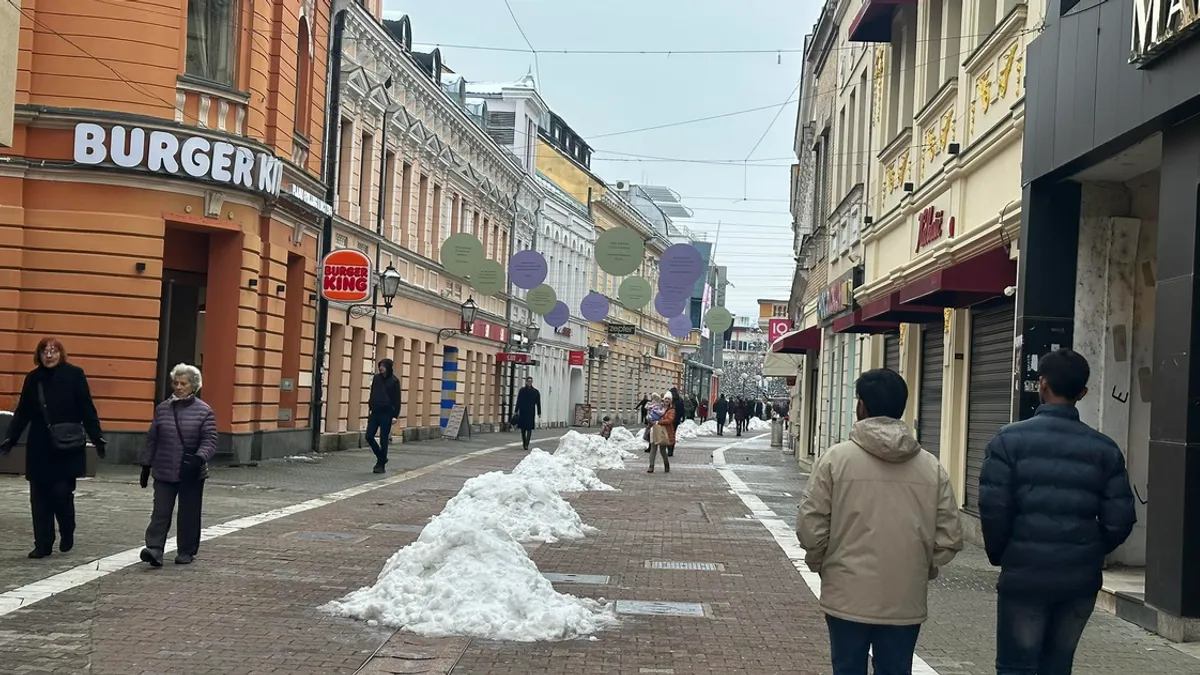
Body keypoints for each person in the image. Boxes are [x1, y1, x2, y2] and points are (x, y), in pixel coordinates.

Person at [979, 349, 1135, 675]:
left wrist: (1003, 553)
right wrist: (1090, 549)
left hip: (1024, 575)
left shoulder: (1008, 441)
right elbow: (1119, 519)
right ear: (1083, 393)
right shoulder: (1104, 449)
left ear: (1042, 384)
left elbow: (994, 508)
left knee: (1015, 666)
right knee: (1058, 665)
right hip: (1078, 578)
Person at [798, 368, 962, 675]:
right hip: (905, 596)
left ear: (862, 406)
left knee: (847, 667)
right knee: (897, 669)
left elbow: (810, 525)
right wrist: (921, 564)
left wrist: (824, 561)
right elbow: (950, 536)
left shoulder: (835, 460)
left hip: (846, 590)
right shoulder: (930, 466)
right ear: (902, 407)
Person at [0, 338, 106, 559]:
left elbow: (87, 408)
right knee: (39, 498)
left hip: (67, 445)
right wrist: (10, 439)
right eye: (44, 351)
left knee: (60, 493)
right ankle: (43, 543)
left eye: (53, 351)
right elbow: (23, 413)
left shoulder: (74, 375)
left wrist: (97, 437)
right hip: (40, 445)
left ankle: (67, 529)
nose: (49, 355)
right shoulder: (33, 378)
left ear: (61, 354)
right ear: (38, 355)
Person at [138, 363, 218, 567]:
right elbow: (152, 438)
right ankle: (154, 549)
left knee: (188, 513)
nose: (179, 387)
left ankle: (186, 550)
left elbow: (210, 440)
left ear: (194, 386)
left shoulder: (204, 411)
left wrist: (199, 458)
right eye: (176, 383)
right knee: (160, 511)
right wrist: (146, 465)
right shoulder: (163, 408)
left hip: (191, 471)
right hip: (164, 469)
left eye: (183, 383)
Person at [366, 358, 401, 474]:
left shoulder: (394, 381)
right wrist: (370, 405)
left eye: (384, 366)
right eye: (380, 365)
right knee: (369, 436)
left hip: (387, 413)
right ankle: (381, 457)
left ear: (389, 367)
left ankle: (380, 465)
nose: (381, 368)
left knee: (384, 439)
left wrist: (395, 415)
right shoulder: (376, 378)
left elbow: (397, 399)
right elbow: (373, 393)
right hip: (375, 412)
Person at [648, 391, 675, 473]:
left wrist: (659, 422)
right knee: (653, 447)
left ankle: (666, 464)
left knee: (662, 450)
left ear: (671, 401)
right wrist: (651, 419)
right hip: (655, 429)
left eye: (668, 399)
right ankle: (651, 466)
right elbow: (651, 414)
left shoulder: (671, 410)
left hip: (664, 431)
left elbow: (670, 420)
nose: (667, 400)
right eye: (666, 398)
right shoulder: (659, 407)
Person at [514, 377, 541, 450]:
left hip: (530, 411)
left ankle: (527, 443)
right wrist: (516, 410)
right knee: (523, 429)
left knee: (529, 429)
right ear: (526, 382)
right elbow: (518, 401)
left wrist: (539, 412)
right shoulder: (522, 391)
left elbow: (538, 403)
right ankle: (524, 441)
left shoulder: (535, 392)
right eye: (528, 381)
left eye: (531, 381)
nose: (529, 383)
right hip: (523, 411)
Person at [667, 386, 685, 457]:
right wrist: (681, 418)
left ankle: (669, 449)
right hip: (676, 421)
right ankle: (671, 450)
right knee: (673, 434)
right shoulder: (680, 401)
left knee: (668, 435)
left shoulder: (670, 401)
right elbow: (682, 411)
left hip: (669, 420)